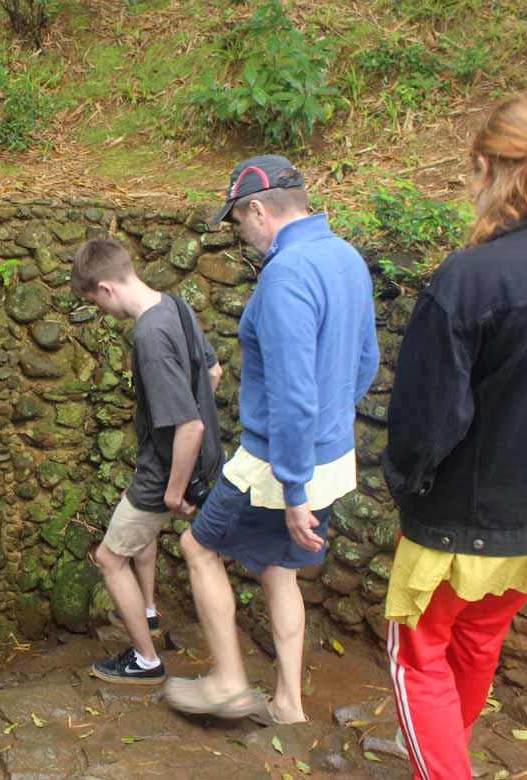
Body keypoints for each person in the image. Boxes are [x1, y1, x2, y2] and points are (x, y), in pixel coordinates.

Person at [381, 91, 527, 780]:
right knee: (477, 639)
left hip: (462, 523)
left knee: (415, 655)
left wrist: (405, 487)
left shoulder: (469, 278)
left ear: (488, 169)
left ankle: (441, 765)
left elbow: (427, 419)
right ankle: (448, 749)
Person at [164, 155, 379, 724]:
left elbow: (291, 393)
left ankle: (231, 684)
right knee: (279, 569)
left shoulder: (286, 275)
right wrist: (327, 437)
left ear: (258, 208)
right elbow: (365, 362)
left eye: (239, 221)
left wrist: (294, 487)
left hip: (276, 461)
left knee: (198, 548)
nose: (241, 233)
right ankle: (288, 703)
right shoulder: (345, 257)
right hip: (332, 456)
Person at [70, 237, 224, 684]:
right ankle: (149, 611)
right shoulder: (175, 305)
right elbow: (211, 372)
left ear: (106, 288)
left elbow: (188, 427)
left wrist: (174, 489)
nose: (100, 311)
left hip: (164, 474)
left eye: (94, 302)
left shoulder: (149, 335)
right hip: (196, 463)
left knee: (109, 558)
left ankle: (145, 660)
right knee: (143, 530)